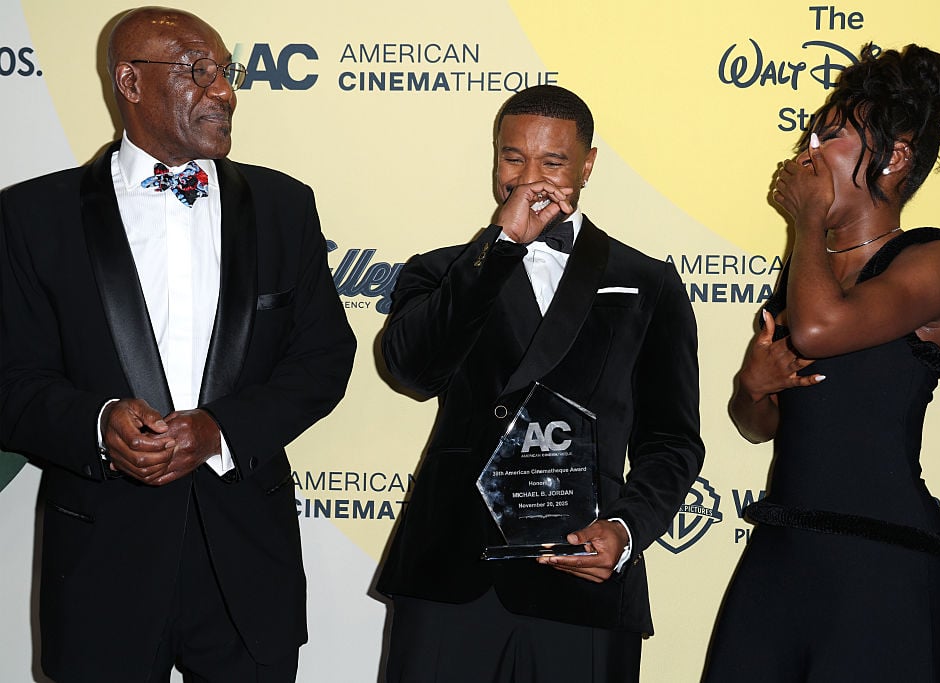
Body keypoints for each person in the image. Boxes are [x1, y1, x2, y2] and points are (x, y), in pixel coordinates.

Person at [0, 7, 356, 682]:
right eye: (197, 71)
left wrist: (220, 429)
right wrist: (98, 423)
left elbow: (323, 358)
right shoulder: (30, 217)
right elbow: (11, 379)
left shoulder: (285, 207)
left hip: (249, 571)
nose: (223, 91)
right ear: (130, 83)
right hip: (101, 570)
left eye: (226, 72)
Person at [375, 84, 704, 682]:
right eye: (512, 157)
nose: (529, 179)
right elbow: (412, 372)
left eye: (552, 161)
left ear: (588, 164)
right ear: (494, 158)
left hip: (581, 573)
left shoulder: (649, 283)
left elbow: (672, 440)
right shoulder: (442, 272)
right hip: (452, 570)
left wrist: (626, 531)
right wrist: (499, 249)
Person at [703, 44, 940, 682]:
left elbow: (824, 329)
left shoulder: (934, 260)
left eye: (833, 136)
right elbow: (760, 424)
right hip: (783, 549)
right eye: (811, 132)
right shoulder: (807, 274)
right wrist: (752, 387)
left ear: (896, 157)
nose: (810, 150)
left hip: (881, 560)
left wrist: (805, 220)